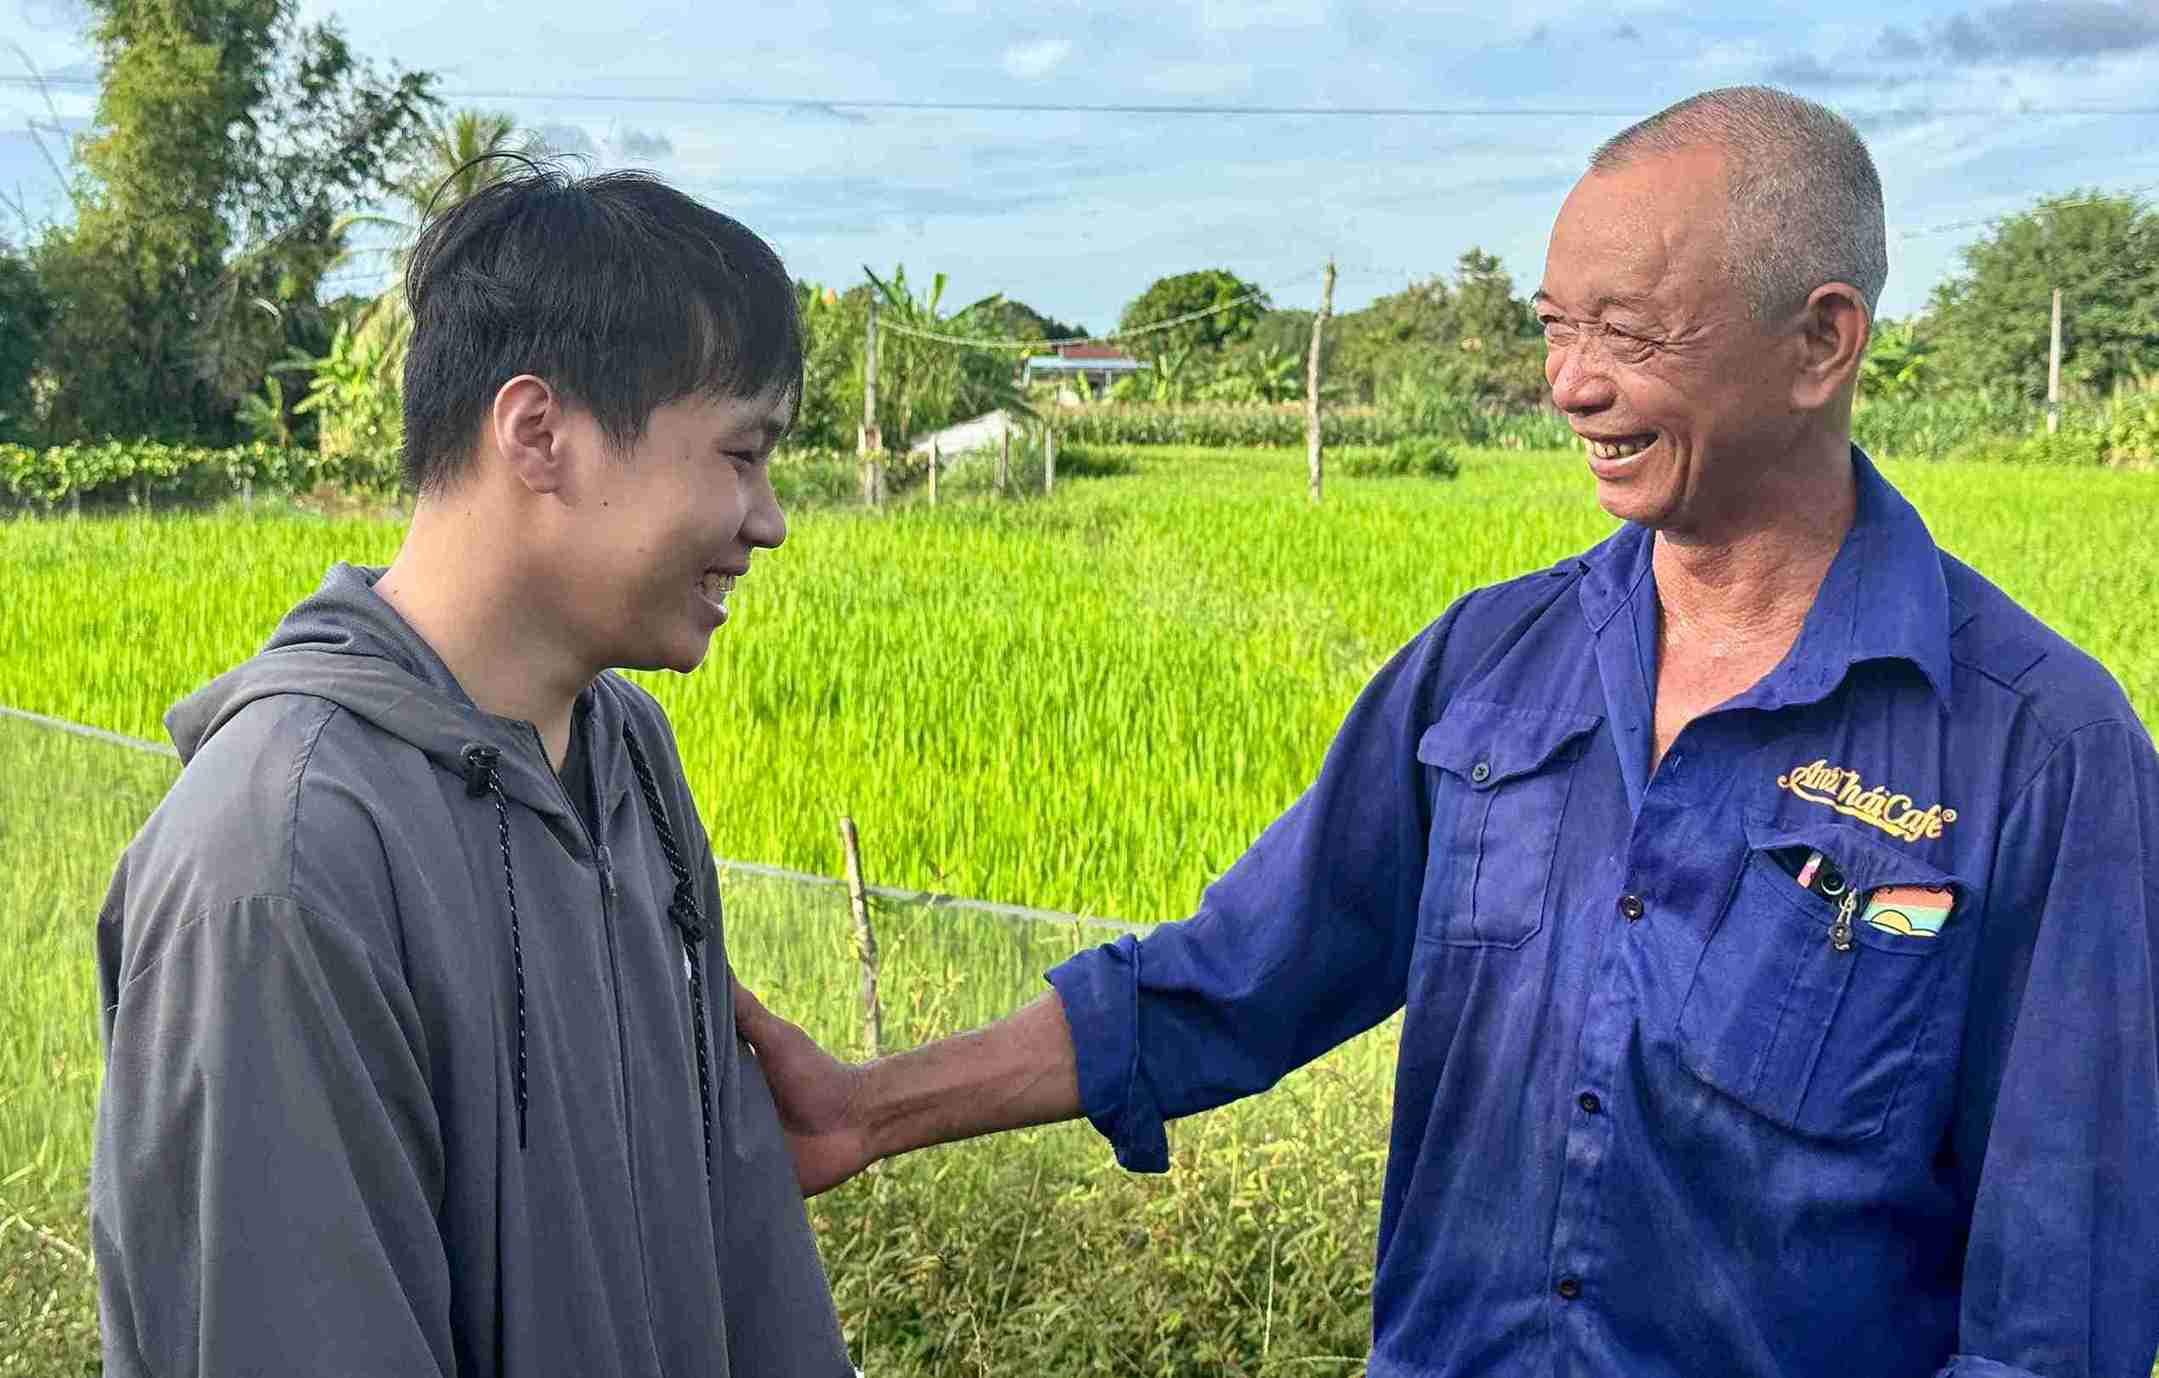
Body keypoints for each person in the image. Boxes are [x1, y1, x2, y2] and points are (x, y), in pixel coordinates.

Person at [735, 87, 2159, 1377]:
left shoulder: (2034, 752)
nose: (1570, 383)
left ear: (1817, 343)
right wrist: (867, 1109)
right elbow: (1230, 978)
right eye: (1553, 325)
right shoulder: (1487, 668)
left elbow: (2057, 1322)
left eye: (1629, 333)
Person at [90, 167, 853, 1376]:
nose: (768, 519)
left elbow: (740, 1241)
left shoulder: (626, 761)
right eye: (740, 453)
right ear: (537, 433)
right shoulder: (283, 855)